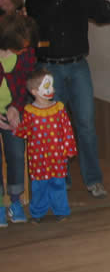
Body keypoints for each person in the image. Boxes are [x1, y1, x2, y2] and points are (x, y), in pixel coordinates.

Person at [26, 0, 110, 199]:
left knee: (86, 125)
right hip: (49, 69)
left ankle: (94, 180)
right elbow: (40, 25)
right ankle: (61, 178)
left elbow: (106, 17)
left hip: (78, 67)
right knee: (55, 126)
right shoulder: (35, 1)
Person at [14, 69, 76, 222]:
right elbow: (25, 130)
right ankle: (37, 213)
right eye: (47, 86)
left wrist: (69, 148)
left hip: (57, 157)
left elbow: (67, 130)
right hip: (38, 158)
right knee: (38, 186)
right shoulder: (30, 111)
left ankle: (61, 210)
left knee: (58, 184)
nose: (52, 89)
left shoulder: (59, 108)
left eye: (52, 85)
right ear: (34, 91)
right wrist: (15, 130)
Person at [0, 14, 36, 225]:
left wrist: (16, 107)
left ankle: (15, 201)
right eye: (20, 46)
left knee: (16, 154)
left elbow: (25, 83)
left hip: (12, 110)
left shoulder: (27, 53)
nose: (24, 49)